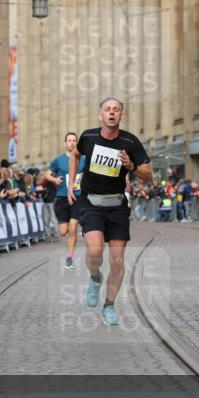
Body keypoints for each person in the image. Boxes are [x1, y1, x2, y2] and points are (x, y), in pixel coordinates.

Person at [68, 98, 151, 326]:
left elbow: (148, 174)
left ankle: (109, 305)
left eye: (116, 110)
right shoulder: (89, 137)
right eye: (107, 110)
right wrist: (71, 183)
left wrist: (131, 166)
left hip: (116, 206)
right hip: (91, 203)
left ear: (121, 116)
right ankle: (95, 277)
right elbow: (75, 155)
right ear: (100, 116)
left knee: (117, 261)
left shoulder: (130, 141)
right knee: (94, 251)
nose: (111, 113)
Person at [48, 132, 86, 269]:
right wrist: (54, 179)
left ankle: (69, 257)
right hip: (62, 197)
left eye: (74, 140)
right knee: (64, 231)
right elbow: (47, 174)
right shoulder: (58, 160)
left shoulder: (83, 159)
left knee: (73, 226)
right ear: (65, 143)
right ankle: (79, 227)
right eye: (69, 140)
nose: (72, 143)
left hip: (78, 196)